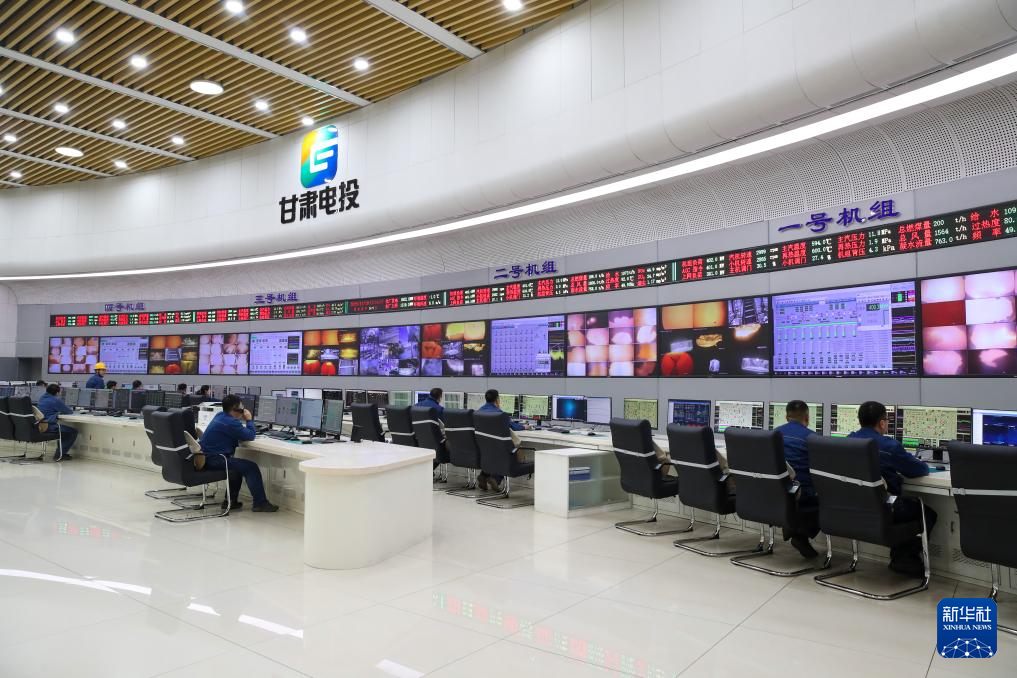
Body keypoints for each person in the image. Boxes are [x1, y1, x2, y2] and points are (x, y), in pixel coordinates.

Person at [848, 401, 937, 577]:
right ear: (882, 423)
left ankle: (901, 558)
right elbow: (919, 470)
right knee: (927, 513)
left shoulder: (849, 441)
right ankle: (904, 558)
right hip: (885, 509)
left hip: (856, 508)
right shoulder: (889, 446)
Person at [198, 394, 278, 512]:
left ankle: (230, 501)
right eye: (241, 407)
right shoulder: (230, 422)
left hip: (205, 458)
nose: (243, 408)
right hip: (215, 459)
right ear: (234, 409)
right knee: (251, 467)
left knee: (237, 468)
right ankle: (260, 503)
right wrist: (249, 420)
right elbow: (250, 435)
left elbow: (234, 432)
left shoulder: (220, 415)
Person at [773, 400, 820, 558]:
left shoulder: (773, 435)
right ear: (807, 418)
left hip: (776, 490)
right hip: (802, 493)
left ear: (787, 417)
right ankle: (800, 535)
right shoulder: (812, 438)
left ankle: (796, 532)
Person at [476, 389, 525, 490]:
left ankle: (484, 476)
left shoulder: (478, 412)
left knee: (492, 453)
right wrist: (525, 426)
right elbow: (512, 426)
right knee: (508, 452)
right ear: (497, 399)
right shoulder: (499, 414)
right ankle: (495, 478)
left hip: (484, 448)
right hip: (499, 449)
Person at [37, 383, 77, 461]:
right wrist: (58, 411)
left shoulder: (42, 398)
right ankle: (60, 454)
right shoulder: (55, 400)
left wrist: (56, 412)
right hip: (49, 426)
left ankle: (60, 453)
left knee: (64, 432)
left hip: (40, 425)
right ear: (57, 393)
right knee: (73, 432)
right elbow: (69, 411)